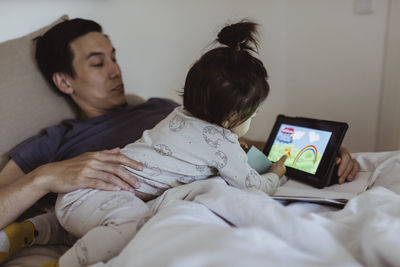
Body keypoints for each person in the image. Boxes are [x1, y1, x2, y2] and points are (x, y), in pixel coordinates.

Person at [0, 18, 360, 266]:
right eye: (98, 63)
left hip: (128, 204)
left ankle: (35, 234)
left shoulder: (168, 109)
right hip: (104, 199)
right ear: (64, 82)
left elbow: (240, 147)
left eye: (114, 56)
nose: (115, 69)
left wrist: (317, 152)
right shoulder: (56, 140)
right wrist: (45, 176)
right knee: (133, 223)